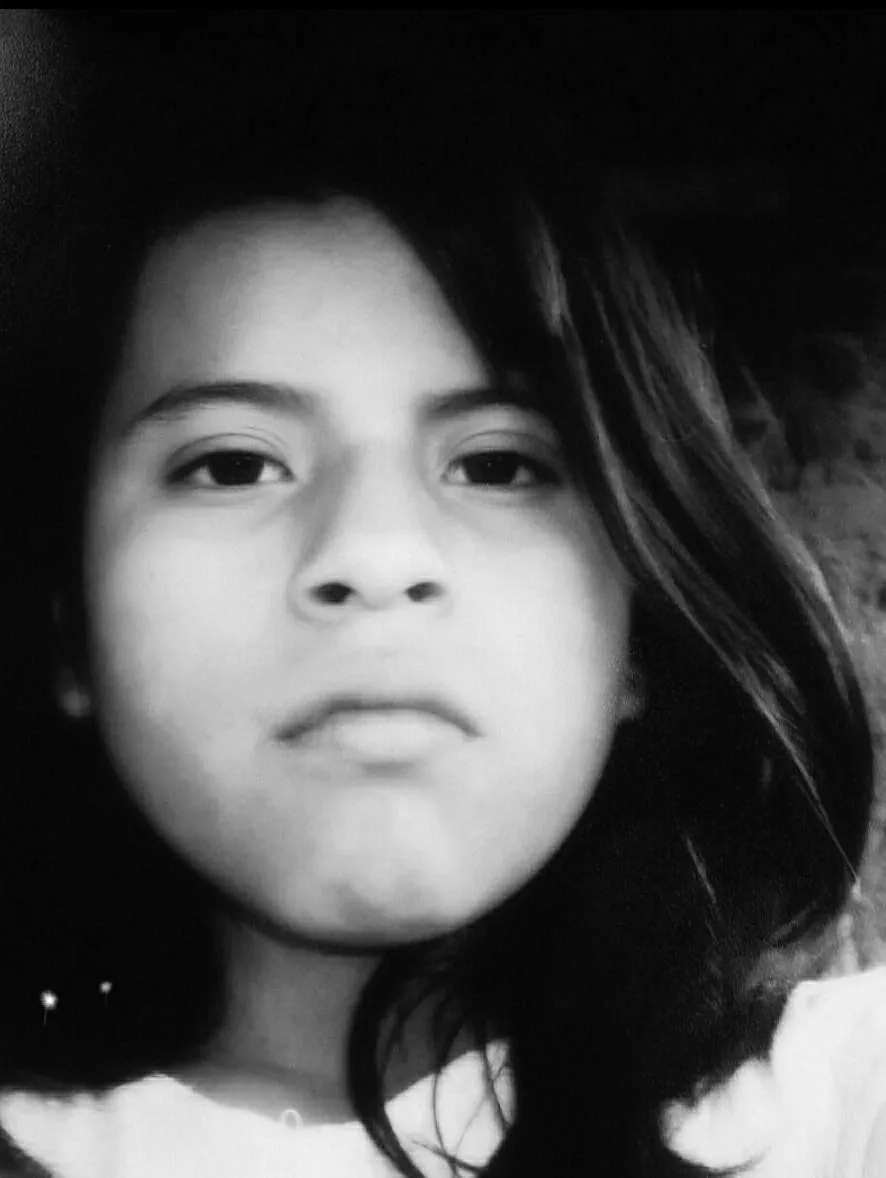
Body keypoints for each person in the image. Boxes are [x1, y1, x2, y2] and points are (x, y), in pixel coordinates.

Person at [0, 29, 881, 1178]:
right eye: (233, 463)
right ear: (68, 626)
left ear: (639, 629)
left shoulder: (830, 1104)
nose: (373, 553)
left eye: (499, 463)